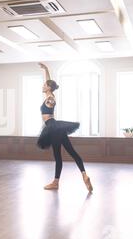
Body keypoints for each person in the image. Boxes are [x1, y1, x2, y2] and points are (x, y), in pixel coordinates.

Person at [37, 63, 93, 192]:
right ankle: (84, 174)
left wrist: (51, 102)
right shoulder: (49, 95)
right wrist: (46, 69)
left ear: (48, 88)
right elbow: (49, 85)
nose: (42, 85)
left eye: (44, 85)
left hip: (52, 127)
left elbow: (51, 100)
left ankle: (56, 183)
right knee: (72, 152)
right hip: (56, 127)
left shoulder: (50, 98)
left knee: (58, 156)